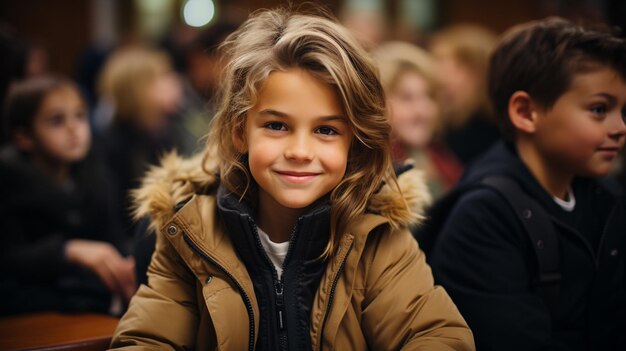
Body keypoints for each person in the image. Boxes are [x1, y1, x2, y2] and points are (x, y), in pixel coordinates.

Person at [110, 8, 474, 350]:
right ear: (240, 131)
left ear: (354, 141)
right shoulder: (190, 233)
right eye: (276, 125)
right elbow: (145, 340)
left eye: (327, 130)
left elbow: (434, 335)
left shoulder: (376, 233)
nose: (300, 150)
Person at [428, 17, 626, 350]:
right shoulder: (484, 217)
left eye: (623, 111)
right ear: (525, 112)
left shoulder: (604, 195)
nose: (620, 127)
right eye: (599, 109)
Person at [0, 75, 135, 315]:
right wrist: (67, 250)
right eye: (56, 120)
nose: (74, 128)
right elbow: (8, 261)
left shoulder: (95, 173)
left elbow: (114, 239)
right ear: (24, 137)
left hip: (92, 303)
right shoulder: (9, 180)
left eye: (80, 116)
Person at [373, 41, 463, 200]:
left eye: (428, 96)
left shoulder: (439, 156)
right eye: (407, 98)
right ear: (377, 104)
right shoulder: (373, 172)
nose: (423, 110)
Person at [429, 24, 500, 165]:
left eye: (442, 61)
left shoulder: (489, 128)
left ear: (474, 70)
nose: (436, 71)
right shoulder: (448, 120)